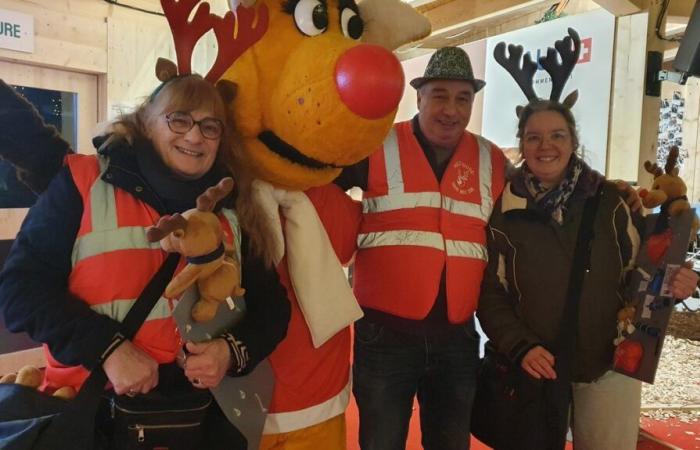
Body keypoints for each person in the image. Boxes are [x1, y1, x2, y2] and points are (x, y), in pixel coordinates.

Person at [0, 73, 290, 449]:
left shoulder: (236, 208)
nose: (194, 136)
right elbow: (20, 292)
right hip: (91, 419)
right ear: (145, 123)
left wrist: (230, 352)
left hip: (202, 422)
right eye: (179, 119)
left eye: (210, 126)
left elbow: (273, 309)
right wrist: (109, 349)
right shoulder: (83, 183)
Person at [476, 99, 699, 450]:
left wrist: (676, 283)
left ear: (573, 142)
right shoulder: (505, 212)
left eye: (557, 135)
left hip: (608, 365)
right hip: (537, 370)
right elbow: (491, 295)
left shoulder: (611, 201)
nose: (545, 146)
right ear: (522, 146)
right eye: (533, 137)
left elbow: (643, 271)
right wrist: (521, 346)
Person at [336, 46, 506, 450]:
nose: (451, 109)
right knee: (382, 441)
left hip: (458, 337)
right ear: (420, 96)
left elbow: (535, 201)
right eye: (441, 95)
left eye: (463, 98)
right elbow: (320, 189)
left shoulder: (492, 160)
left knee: (450, 443)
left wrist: (615, 193)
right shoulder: (376, 144)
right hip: (384, 335)